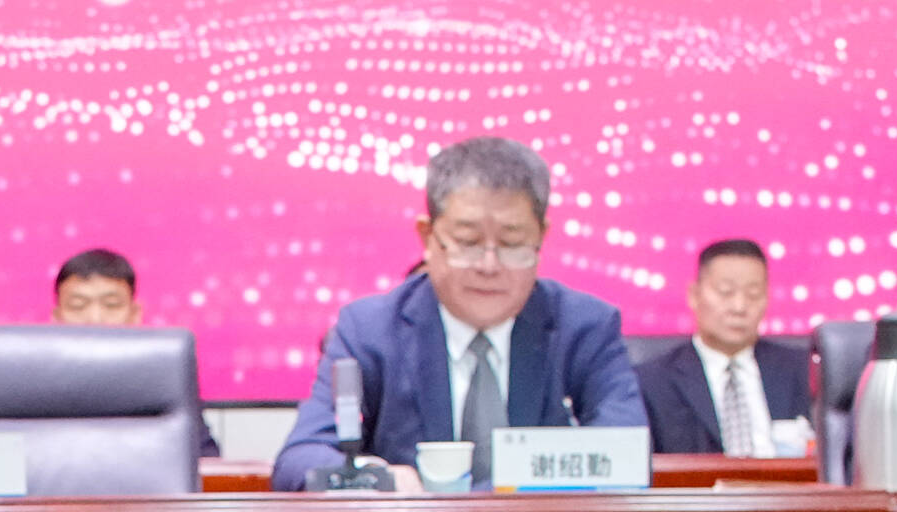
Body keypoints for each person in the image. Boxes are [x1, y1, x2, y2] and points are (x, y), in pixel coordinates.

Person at [271, 137, 646, 488]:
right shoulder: (369, 330)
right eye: (467, 243)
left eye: (513, 244)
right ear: (427, 237)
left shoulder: (584, 328)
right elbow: (301, 458)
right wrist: (377, 479)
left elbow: (627, 452)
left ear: (541, 238)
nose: (489, 266)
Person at [641, 237, 815, 457]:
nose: (739, 307)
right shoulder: (653, 382)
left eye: (753, 294)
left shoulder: (807, 371)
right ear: (694, 295)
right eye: (725, 292)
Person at [47, 247, 221, 458]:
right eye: (78, 306)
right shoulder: (37, 383)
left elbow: (204, 460)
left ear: (135, 314)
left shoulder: (164, 380)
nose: (95, 318)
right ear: (56, 318)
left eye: (111, 305)